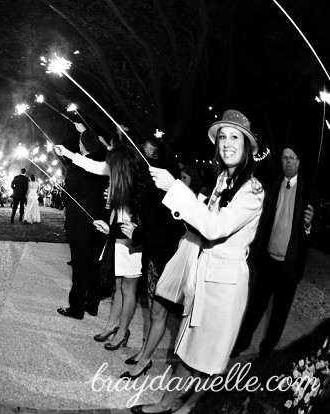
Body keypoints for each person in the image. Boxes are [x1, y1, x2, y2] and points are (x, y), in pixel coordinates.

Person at [137, 109, 265, 414]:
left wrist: (175, 188)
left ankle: (181, 406)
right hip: (204, 274)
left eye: (235, 137)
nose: (226, 143)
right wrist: (180, 196)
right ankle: (169, 403)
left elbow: (215, 227)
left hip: (225, 284)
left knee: (207, 356)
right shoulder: (222, 179)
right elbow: (205, 219)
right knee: (188, 350)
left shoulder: (254, 190)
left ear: (247, 146)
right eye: (222, 136)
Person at [54, 141, 149, 354]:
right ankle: (111, 325)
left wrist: (111, 224)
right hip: (116, 234)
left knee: (128, 287)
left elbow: (136, 224)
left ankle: (122, 330)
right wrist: (67, 151)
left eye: (111, 165)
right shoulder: (119, 178)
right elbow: (93, 167)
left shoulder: (138, 187)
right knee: (117, 284)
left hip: (131, 240)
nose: (107, 170)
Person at [232, 145, 320, 359]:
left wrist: (309, 224)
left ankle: (266, 349)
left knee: (279, 312)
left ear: (299, 162)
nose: (287, 161)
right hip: (268, 259)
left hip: (289, 265)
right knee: (256, 305)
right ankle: (242, 343)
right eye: (284, 157)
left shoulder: (308, 191)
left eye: (292, 157)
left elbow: (315, 231)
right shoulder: (274, 185)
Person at [120, 138, 185, 380]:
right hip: (153, 257)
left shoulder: (170, 190)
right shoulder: (148, 184)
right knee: (152, 312)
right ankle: (144, 351)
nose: (146, 164)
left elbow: (169, 233)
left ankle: (145, 360)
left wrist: (137, 232)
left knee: (158, 313)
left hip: (166, 260)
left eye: (151, 160)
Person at [53, 124, 108, 319]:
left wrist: (62, 191)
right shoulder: (106, 165)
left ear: (82, 145)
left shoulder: (75, 167)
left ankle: (76, 308)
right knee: (94, 265)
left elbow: (67, 198)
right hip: (101, 224)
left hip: (80, 224)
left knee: (79, 266)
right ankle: (92, 304)